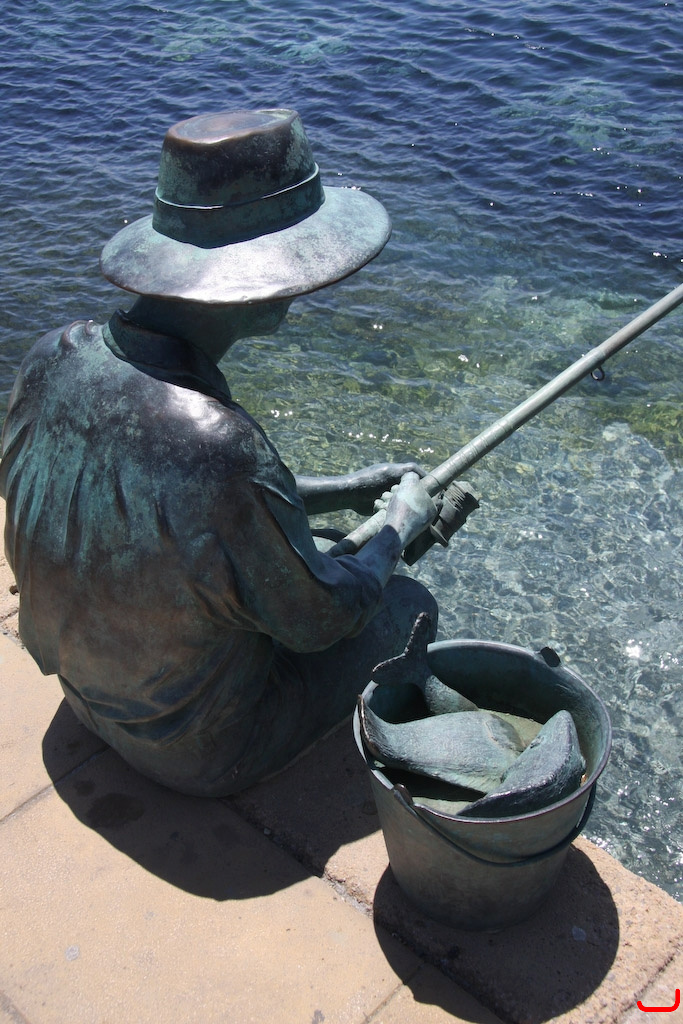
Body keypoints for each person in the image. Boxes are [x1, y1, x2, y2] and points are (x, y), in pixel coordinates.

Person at [0, 108, 438, 796]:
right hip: (196, 749)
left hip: (85, 701)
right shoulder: (223, 448)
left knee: (315, 547)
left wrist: (347, 488)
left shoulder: (49, 358)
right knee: (405, 605)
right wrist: (398, 528)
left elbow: (183, 499)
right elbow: (320, 620)